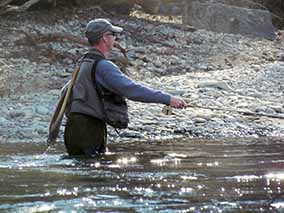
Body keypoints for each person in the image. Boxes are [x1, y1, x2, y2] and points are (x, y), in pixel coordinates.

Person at [64, 18, 187, 157]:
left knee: (80, 174)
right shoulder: (103, 66)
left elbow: (65, 92)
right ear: (105, 38)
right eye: (113, 35)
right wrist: (168, 98)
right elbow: (131, 89)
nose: (115, 38)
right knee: (95, 176)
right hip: (89, 130)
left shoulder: (83, 62)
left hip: (73, 129)